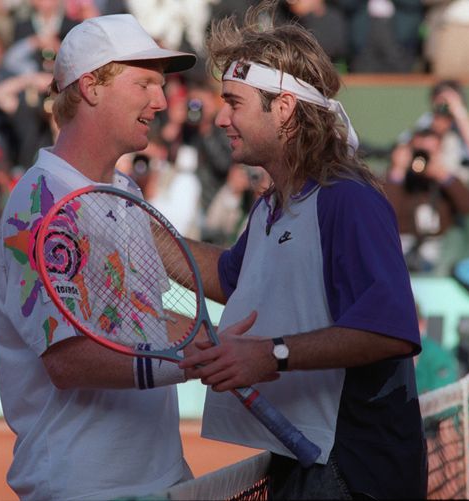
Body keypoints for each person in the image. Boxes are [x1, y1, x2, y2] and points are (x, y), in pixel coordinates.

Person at [0, 13, 248, 500]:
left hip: (160, 479)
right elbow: (71, 361)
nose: (161, 100)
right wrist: (200, 360)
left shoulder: (121, 191)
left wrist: (232, 342)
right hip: (84, 488)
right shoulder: (40, 209)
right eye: (145, 83)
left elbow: (139, 311)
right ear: (91, 87)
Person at [177, 2, 427, 499]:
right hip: (306, 462)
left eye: (235, 102)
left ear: (284, 109)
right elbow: (231, 277)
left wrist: (271, 356)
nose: (222, 118)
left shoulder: (347, 199)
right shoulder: (275, 204)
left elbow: (389, 329)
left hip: (352, 474)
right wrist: (138, 233)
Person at [385, 128, 469, 273]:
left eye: (430, 152)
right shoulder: (398, 182)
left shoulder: (444, 182)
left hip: (437, 249)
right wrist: (397, 171)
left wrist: (444, 176)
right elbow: (385, 213)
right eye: (418, 152)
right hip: (401, 246)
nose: (422, 158)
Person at [398, 79, 469, 186]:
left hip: (456, 185)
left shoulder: (462, 124)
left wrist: (458, 110)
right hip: (425, 182)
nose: (445, 104)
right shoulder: (428, 120)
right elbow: (402, 146)